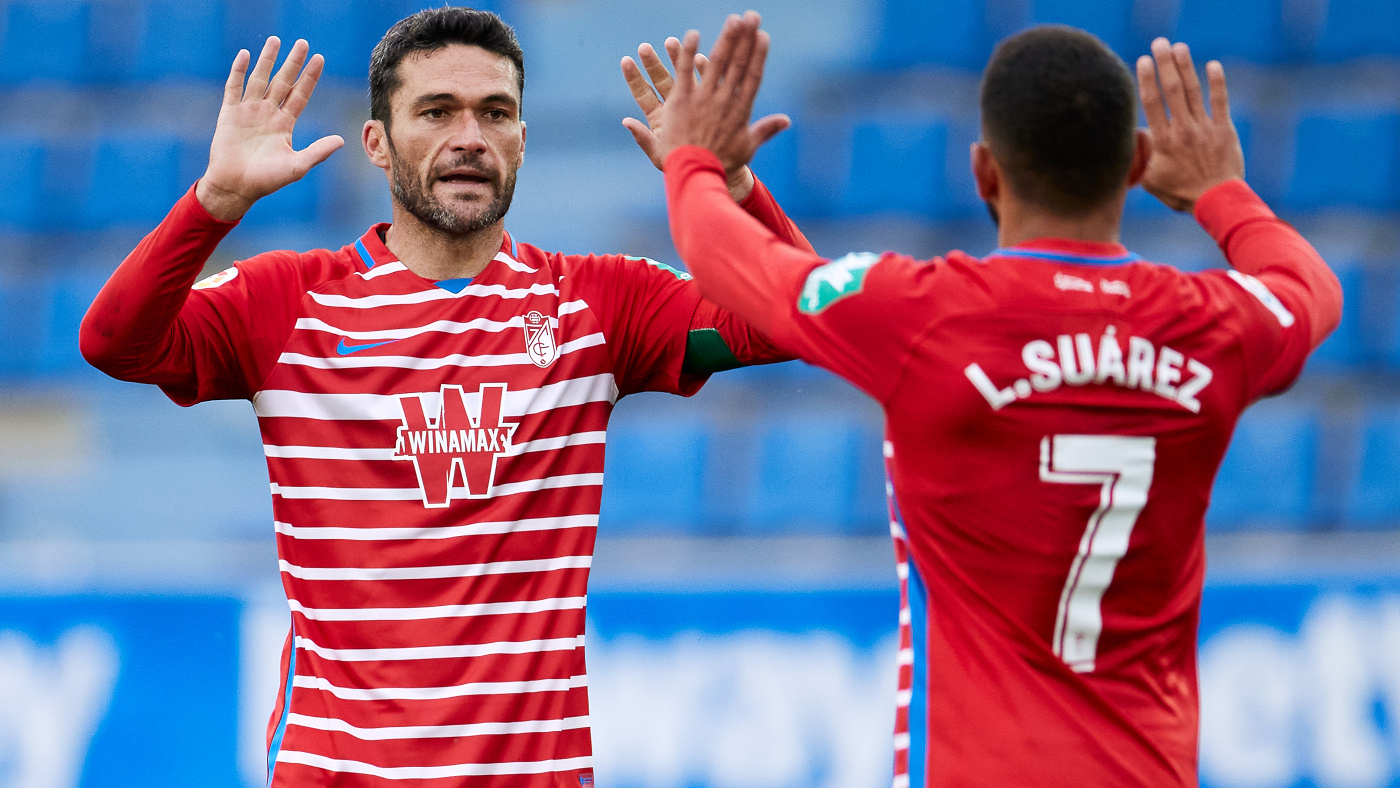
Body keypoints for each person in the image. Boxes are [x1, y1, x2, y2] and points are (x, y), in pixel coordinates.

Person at [79, 7, 811, 786]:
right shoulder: (289, 302)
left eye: (495, 113)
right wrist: (214, 201)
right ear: (376, 143)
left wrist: (732, 187)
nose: (470, 137)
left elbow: (799, 318)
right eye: (436, 112)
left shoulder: (594, 302)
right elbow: (113, 342)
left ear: (522, 140)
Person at [655, 15, 1343, 787]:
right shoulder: (1212, 328)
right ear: (1137, 163)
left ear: (983, 172)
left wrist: (695, 160)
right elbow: (1310, 288)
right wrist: (1222, 193)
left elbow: (725, 255)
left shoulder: (925, 315)